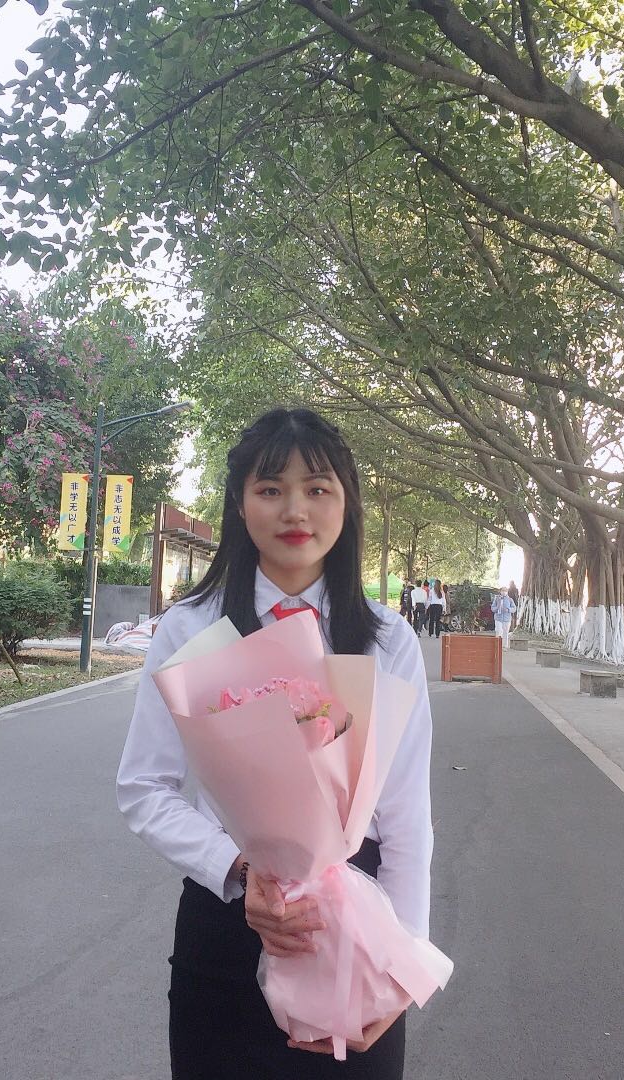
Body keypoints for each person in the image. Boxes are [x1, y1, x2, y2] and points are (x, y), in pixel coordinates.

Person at [117, 407, 435, 1079]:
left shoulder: (387, 640)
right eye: (270, 489)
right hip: (227, 923)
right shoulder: (190, 629)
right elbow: (144, 789)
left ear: (346, 503)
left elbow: (408, 816)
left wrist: (402, 964)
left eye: (318, 488)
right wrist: (239, 869)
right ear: (240, 505)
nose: (295, 510)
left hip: (358, 924)